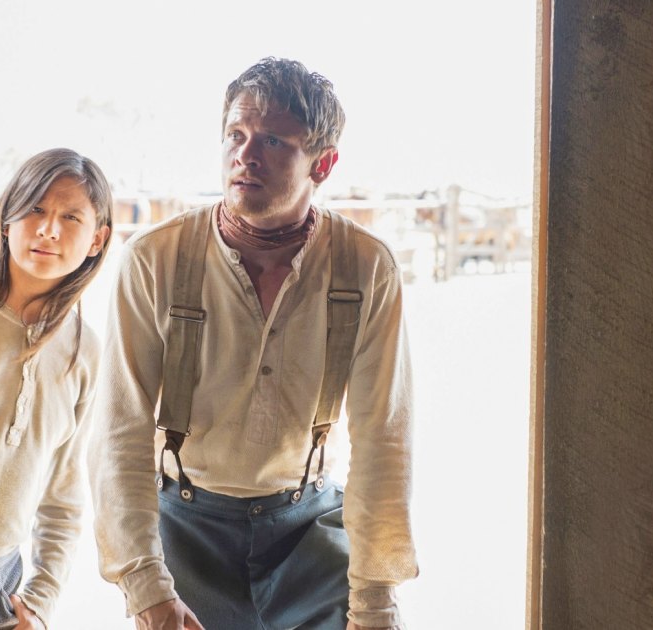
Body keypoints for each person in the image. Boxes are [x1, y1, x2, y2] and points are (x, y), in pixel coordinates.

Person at [90, 58, 417, 630]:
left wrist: (374, 602)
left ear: (324, 163)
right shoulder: (155, 259)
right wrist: (144, 584)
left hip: (308, 527)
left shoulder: (365, 267)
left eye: (272, 140)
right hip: (184, 525)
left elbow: (383, 440)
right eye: (235, 135)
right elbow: (121, 429)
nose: (246, 155)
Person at [0, 148, 112, 629]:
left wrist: (40, 603)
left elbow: (64, 495)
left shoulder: (84, 351)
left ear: (97, 239)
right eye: (35, 209)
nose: (48, 229)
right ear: (6, 220)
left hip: (1, 582)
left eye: (71, 217)